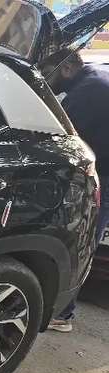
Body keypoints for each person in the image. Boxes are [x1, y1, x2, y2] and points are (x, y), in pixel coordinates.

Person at [46, 51, 109, 332]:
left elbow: (62, 139)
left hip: (102, 175)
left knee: (80, 238)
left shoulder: (87, 90)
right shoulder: (94, 79)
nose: (47, 80)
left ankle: (62, 313)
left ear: (67, 67)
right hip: (102, 170)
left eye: (49, 72)